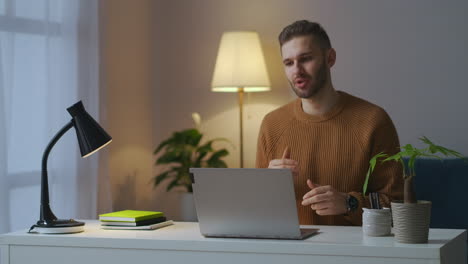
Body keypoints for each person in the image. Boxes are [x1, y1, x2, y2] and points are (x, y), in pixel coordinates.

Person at [256, 20, 403, 226]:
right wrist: (267, 186)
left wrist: (349, 203)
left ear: (330, 58)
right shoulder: (272, 124)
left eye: (305, 59)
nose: (296, 70)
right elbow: (258, 210)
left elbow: (397, 205)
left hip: (355, 252)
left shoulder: (373, 121)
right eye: (288, 63)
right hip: (288, 253)